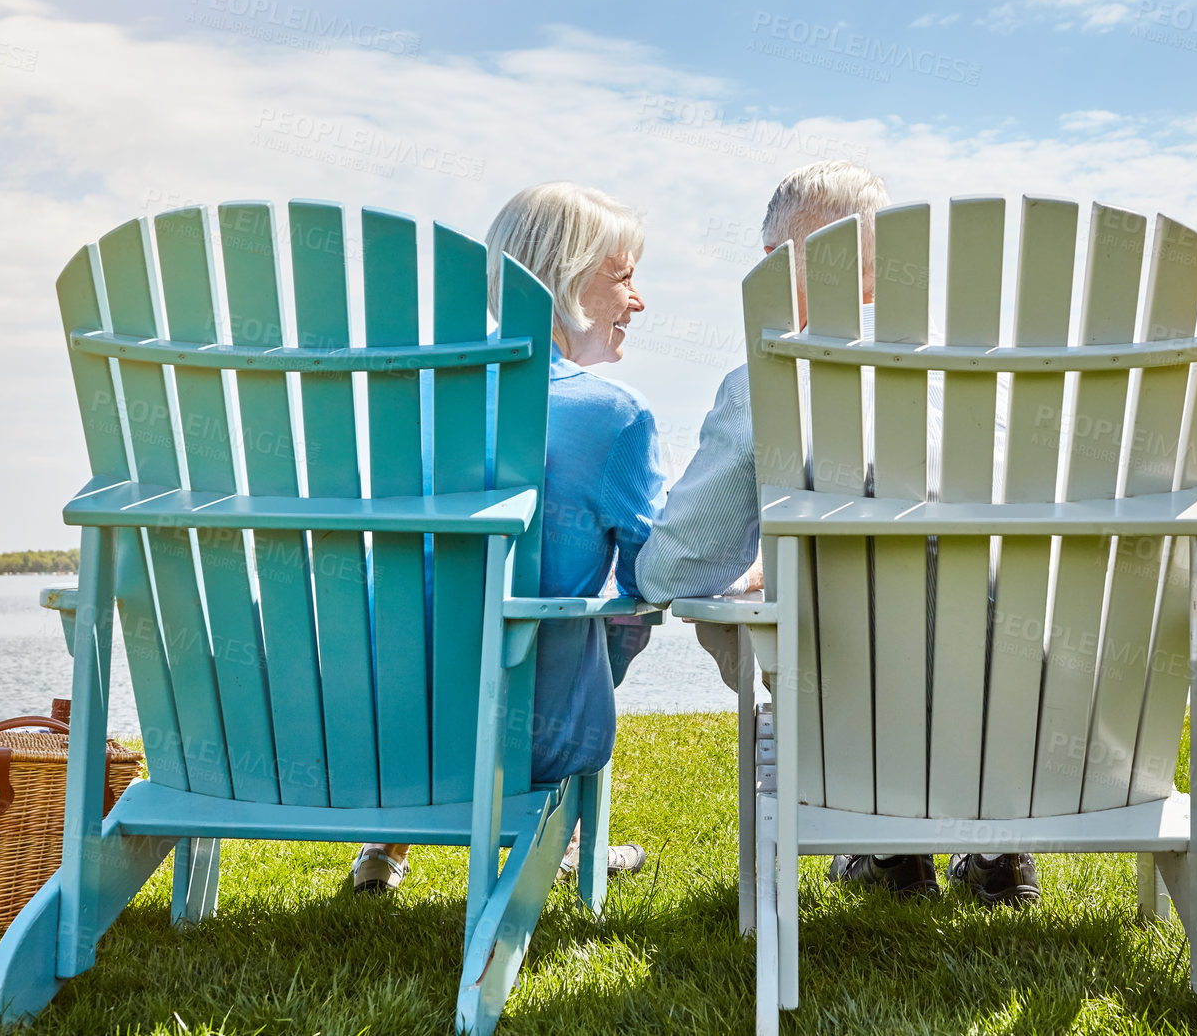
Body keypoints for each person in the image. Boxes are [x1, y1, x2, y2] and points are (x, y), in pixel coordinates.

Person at [635, 159, 1041, 906]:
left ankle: (883, 839)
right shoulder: (995, 384)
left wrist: (759, 566)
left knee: (781, 619)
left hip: (850, 723)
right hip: (1021, 723)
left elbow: (669, 570)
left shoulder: (763, 385)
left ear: (772, 265)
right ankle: (994, 840)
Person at [352, 182, 666, 893]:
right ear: (565, 279)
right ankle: (568, 832)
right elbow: (657, 573)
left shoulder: (415, 399)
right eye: (623, 276)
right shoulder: (614, 416)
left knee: (444, 602)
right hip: (533, 741)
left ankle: (388, 841)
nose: (637, 300)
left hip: (382, 726)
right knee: (607, 612)